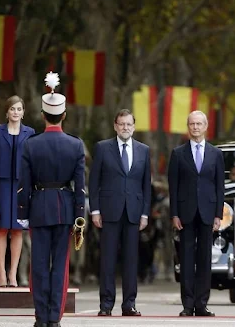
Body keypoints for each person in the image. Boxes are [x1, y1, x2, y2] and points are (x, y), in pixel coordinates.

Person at [17, 72, 86, 327]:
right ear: (64, 115)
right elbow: (80, 185)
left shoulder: (31, 144)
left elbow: (24, 182)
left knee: (38, 265)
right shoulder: (75, 145)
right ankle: (55, 317)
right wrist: (80, 214)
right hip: (65, 208)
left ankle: (40, 316)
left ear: (43, 116)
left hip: (39, 206)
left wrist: (22, 212)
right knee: (59, 266)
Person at [88, 109, 151, 317]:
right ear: (115, 126)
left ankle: (129, 304)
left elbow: (146, 185)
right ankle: (106, 305)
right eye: (122, 124)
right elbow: (94, 181)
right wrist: (95, 210)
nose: (125, 128)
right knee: (107, 259)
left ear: (134, 126)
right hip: (109, 211)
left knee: (131, 259)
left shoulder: (143, 150)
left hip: (133, 212)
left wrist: (145, 213)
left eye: (129, 124)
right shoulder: (103, 148)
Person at [168, 110, 224, 317]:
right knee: (186, 258)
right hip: (185, 213)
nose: (195, 127)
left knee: (205, 259)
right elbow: (173, 187)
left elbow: (220, 187)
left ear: (206, 126)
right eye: (192, 124)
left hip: (208, 212)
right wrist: (174, 214)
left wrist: (218, 214)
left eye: (199, 124)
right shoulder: (178, 153)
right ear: (188, 126)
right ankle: (187, 304)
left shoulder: (216, 154)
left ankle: (202, 304)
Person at [0, 95, 35, 287]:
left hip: (21, 184)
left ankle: (13, 273)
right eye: (12, 109)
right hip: (1, 184)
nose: (15, 112)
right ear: (6, 112)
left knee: (18, 229)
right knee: (2, 229)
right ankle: (2, 273)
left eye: (19, 109)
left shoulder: (30, 132)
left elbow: (31, 162)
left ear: (23, 112)